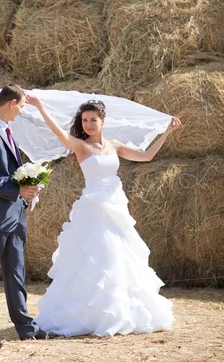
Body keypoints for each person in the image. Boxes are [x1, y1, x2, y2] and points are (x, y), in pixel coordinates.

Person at [26, 96, 180, 337]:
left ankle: (119, 312)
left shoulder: (114, 145)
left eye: (93, 120)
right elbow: (58, 133)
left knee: (120, 256)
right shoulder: (80, 146)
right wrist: (41, 107)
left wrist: (167, 133)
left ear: (103, 121)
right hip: (93, 208)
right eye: (84, 120)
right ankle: (91, 314)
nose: (88, 124)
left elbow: (147, 156)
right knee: (98, 255)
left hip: (115, 206)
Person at [0, 84, 56, 350]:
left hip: (14, 214)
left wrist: (26, 187)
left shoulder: (4, 130)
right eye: (22, 107)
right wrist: (17, 188)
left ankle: (26, 328)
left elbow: (6, 171)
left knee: (16, 273)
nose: (21, 112)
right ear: (12, 103)